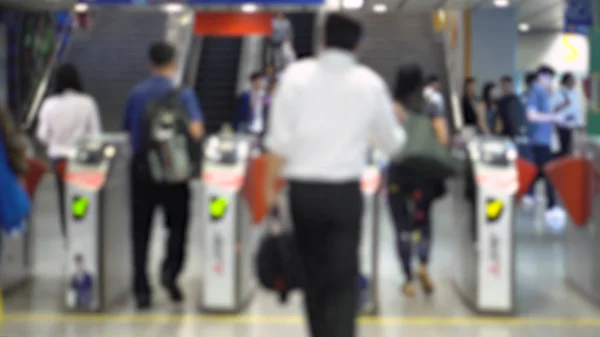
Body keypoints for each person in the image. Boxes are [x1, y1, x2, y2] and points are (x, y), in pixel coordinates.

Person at [264, 14, 406, 337]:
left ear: (322, 40)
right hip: (344, 194)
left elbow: (277, 144)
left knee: (313, 276)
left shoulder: (296, 77)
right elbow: (393, 144)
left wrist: (270, 191)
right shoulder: (369, 83)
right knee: (343, 279)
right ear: (357, 46)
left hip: (303, 193)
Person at [123, 41, 204, 309]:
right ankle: (170, 272)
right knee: (178, 227)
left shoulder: (136, 94)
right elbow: (196, 131)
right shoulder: (184, 95)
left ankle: (141, 289)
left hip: (142, 171)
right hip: (174, 173)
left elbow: (127, 130)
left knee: (141, 231)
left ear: (150, 65)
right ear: (174, 64)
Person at [387, 64, 448, 297]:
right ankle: (423, 264)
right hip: (423, 176)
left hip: (398, 173)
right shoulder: (431, 105)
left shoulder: (393, 108)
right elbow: (442, 138)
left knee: (401, 225)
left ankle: (407, 278)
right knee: (423, 222)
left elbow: (381, 139)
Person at [36, 63, 102, 239]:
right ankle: (81, 233)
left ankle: (69, 236)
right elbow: (96, 134)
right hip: (82, 160)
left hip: (60, 160)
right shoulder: (87, 103)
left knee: (63, 199)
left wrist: (56, 141)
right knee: (80, 199)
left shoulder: (49, 105)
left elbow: (42, 135)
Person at [522, 65, 565, 226]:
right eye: (550, 78)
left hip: (543, 140)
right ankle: (551, 208)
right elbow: (531, 115)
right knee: (549, 174)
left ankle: (529, 195)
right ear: (542, 77)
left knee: (540, 172)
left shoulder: (542, 93)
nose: (551, 82)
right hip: (538, 141)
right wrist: (554, 117)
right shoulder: (537, 92)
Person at [553, 72, 584, 156]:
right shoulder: (558, 93)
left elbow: (577, 110)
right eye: (571, 80)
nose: (573, 82)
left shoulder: (575, 93)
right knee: (564, 148)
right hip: (562, 124)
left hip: (572, 125)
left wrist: (580, 124)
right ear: (565, 81)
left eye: (574, 80)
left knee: (570, 149)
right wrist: (564, 105)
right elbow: (552, 110)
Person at [233, 71, 268, 141]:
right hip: (247, 126)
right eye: (257, 81)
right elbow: (238, 113)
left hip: (262, 127)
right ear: (252, 82)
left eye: (261, 80)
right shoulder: (245, 96)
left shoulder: (267, 97)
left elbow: (268, 111)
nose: (259, 83)